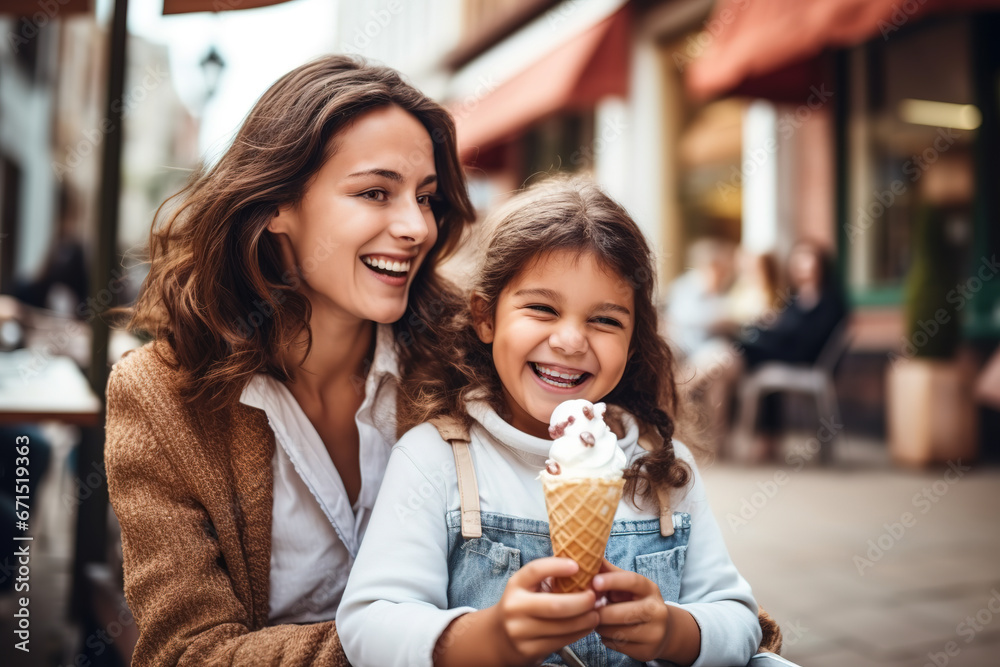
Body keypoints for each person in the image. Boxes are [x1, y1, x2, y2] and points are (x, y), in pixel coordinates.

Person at [104, 55, 474, 666]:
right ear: (276, 204)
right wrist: (429, 646)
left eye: (426, 197)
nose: (416, 227)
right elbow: (185, 654)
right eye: (375, 192)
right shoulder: (160, 395)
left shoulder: (460, 359)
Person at [338, 178, 774, 667]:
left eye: (605, 320)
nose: (570, 340)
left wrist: (674, 631)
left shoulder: (663, 470)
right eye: (542, 309)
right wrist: (490, 637)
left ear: (633, 341)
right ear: (486, 318)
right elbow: (368, 623)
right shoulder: (435, 459)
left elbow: (739, 620)